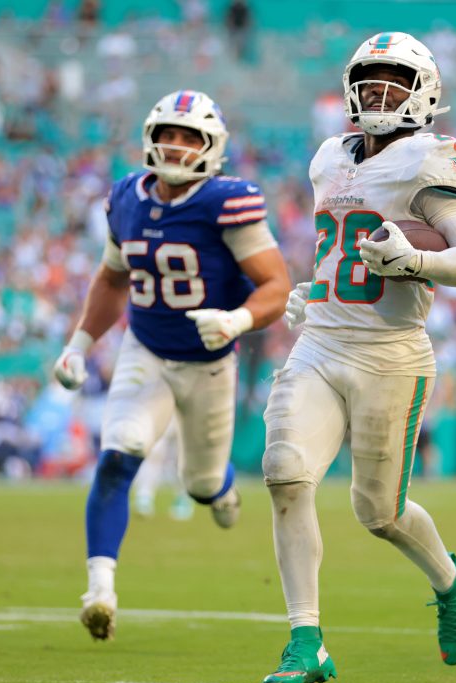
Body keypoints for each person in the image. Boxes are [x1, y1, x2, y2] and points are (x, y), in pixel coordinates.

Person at [260, 32, 456, 683]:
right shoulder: (328, 155)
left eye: (395, 80)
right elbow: (340, 242)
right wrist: (317, 287)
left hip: (390, 354)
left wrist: (416, 261)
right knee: (283, 472)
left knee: (378, 512)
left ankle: (452, 579)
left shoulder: (433, 159)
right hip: (323, 342)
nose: (378, 92)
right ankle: (307, 638)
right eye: (369, 79)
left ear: (425, 93)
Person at [53, 89, 291, 641]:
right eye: (167, 134)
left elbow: (276, 286)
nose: (176, 146)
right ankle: (100, 590)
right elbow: (114, 278)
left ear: (213, 148)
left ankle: (222, 490)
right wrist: (79, 344)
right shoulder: (125, 199)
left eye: (189, 137)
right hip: (148, 350)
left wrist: (236, 321)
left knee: (201, 481)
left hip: (210, 363)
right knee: (120, 453)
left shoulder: (227, 202)